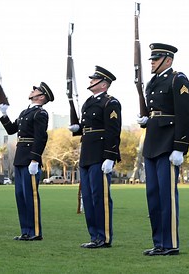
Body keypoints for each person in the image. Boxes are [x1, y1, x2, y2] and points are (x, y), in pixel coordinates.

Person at [136, 43, 189, 256]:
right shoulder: (153, 82)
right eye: (151, 58)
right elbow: (156, 111)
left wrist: (180, 147)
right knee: (153, 196)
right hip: (152, 143)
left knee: (166, 196)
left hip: (168, 144)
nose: (151, 62)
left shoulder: (178, 79)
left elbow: (186, 114)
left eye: (155, 58)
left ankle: (170, 244)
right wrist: (145, 120)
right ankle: (159, 242)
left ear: (167, 60)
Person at [69, 66, 121, 248]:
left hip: (100, 154)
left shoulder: (110, 103)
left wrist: (110, 156)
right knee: (88, 197)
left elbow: (113, 131)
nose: (90, 82)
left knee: (100, 196)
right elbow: (87, 127)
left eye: (94, 80)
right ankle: (94, 236)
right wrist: (78, 129)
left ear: (104, 84)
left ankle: (104, 237)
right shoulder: (89, 102)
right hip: (87, 153)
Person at [0, 82, 54, 241]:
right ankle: (25, 230)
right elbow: (11, 130)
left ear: (41, 97)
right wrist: (4, 114)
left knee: (31, 196)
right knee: (20, 196)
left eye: (35, 90)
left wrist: (35, 159)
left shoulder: (40, 113)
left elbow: (41, 137)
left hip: (30, 158)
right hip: (21, 157)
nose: (32, 91)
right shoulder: (25, 112)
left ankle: (35, 231)